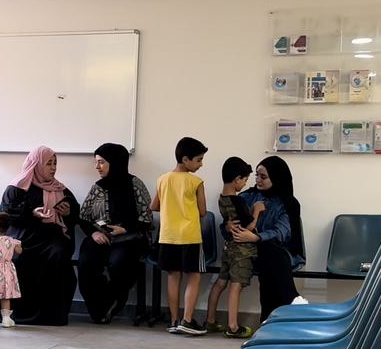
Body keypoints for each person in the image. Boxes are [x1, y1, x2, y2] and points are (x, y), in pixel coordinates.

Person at [0, 146, 79, 326]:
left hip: (51, 236)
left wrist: (67, 212)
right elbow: (8, 214)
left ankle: (53, 316)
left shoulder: (60, 188)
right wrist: (32, 214)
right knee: (19, 257)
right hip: (24, 236)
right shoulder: (17, 187)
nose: (53, 168)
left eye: (55, 164)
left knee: (59, 255)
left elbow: (74, 213)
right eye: (48, 163)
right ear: (36, 164)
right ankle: (16, 313)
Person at [226, 155, 309, 323]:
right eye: (256, 175)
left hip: (277, 252)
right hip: (245, 252)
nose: (257, 180)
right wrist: (228, 227)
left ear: (277, 178)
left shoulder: (288, 203)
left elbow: (282, 232)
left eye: (263, 176)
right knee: (266, 253)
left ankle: (268, 320)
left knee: (267, 249)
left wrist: (256, 237)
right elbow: (228, 224)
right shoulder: (246, 197)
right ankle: (291, 300)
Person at [77, 143, 153, 324]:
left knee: (118, 263)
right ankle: (98, 308)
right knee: (86, 262)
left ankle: (113, 301)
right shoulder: (98, 187)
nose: (97, 167)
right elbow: (83, 217)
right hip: (101, 237)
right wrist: (94, 234)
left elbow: (147, 217)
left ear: (116, 162)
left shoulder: (135, 184)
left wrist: (124, 228)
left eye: (101, 162)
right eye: (96, 163)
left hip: (130, 238)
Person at [151, 137, 208, 335]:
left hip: (168, 236)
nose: (201, 164)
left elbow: (154, 206)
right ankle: (188, 319)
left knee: (173, 277)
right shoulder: (196, 181)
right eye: (199, 160)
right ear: (186, 159)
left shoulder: (162, 179)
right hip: (190, 236)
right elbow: (202, 211)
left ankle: (174, 320)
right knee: (194, 276)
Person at [205, 157, 266, 338]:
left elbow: (229, 223)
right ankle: (233, 326)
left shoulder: (222, 198)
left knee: (221, 282)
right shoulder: (238, 201)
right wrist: (257, 211)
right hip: (242, 250)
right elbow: (247, 228)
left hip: (229, 248)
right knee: (235, 286)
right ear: (237, 179)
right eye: (245, 180)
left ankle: (210, 320)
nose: (245, 183)